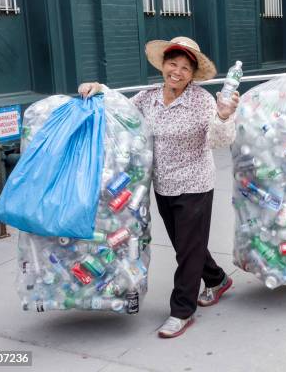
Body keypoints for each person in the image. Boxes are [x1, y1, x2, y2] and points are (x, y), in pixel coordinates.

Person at [78, 37, 238, 338]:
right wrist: (99, 89)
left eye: (185, 68)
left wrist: (224, 116)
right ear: (163, 65)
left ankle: (181, 311)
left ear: (193, 74)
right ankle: (217, 279)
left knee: (187, 251)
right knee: (186, 245)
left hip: (194, 183)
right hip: (162, 184)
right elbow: (121, 111)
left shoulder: (202, 101)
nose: (177, 72)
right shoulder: (149, 97)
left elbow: (218, 140)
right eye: (172, 64)